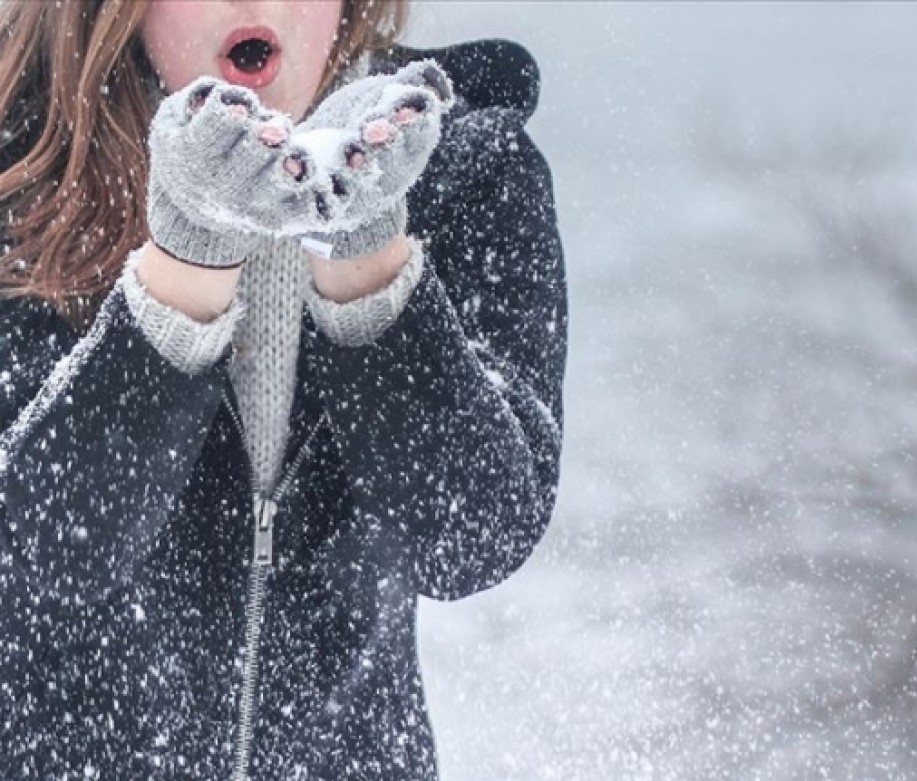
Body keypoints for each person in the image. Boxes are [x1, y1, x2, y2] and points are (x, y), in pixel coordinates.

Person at [0, 1, 567, 779]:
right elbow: (41, 553)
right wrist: (187, 265)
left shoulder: (465, 167)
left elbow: (472, 538)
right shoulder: (19, 175)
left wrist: (368, 262)